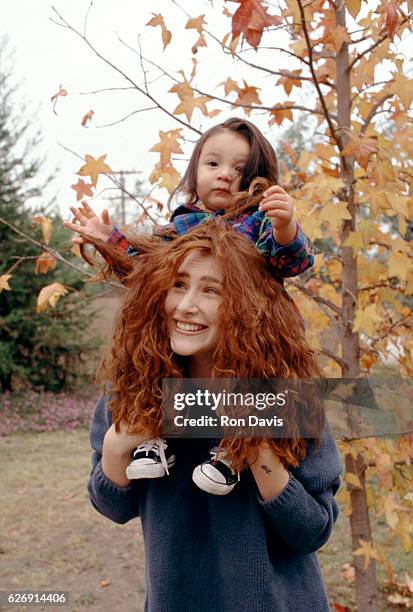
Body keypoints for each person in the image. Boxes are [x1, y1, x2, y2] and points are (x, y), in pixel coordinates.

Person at [87, 223, 342, 612]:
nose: (186, 305)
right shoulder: (134, 390)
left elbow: (313, 532)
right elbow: (112, 507)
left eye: (211, 290)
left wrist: (256, 446)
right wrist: (116, 447)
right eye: (178, 285)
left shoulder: (288, 396)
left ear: (246, 307)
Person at [65, 117, 314, 494]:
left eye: (239, 169)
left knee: (248, 386)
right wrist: (108, 241)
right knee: (154, 369)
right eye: (213, 164)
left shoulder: (258, 224)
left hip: (251, 338)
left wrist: (284, 227)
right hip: (184, 353)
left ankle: (234, 450)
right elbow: (143, 267)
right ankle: (152, 443)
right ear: (194, 170)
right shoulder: (181, 227)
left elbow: (292, 262)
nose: (225, 175)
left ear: (257, 178)